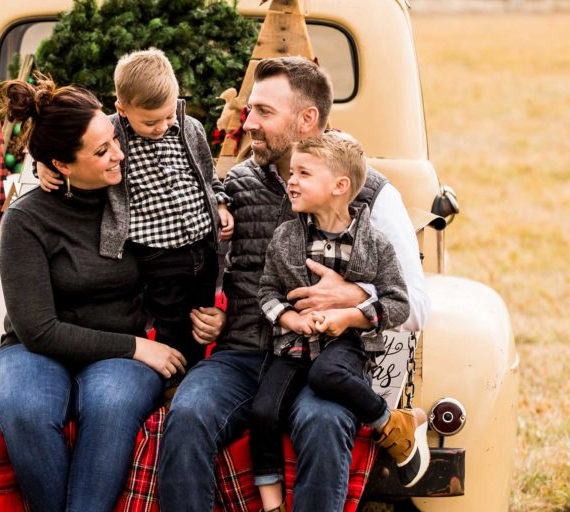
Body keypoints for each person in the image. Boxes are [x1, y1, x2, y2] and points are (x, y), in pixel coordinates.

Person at [158, 57, 430, 511]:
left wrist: (356, 294)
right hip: (243, 354)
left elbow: (416, 305)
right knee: (188, 414)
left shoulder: (371, 194)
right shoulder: (236, 186)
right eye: (250, 111)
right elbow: (215, 273)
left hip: (325, 363)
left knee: (324, 423)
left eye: (264, 112)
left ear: (307, 120)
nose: (248, 124)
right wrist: (214, 308)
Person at [0, 76, 187, 512]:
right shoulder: (26, 219)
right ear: (63, 164)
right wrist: (138, 347)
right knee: (26, 408)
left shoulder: (140, 195)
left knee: (111, 406)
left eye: (114, 139)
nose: (119, 154)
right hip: (34, 350)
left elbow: (163, 124)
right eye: (101, 151)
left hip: (119, 359)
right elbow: (37, 330)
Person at [251, 133, 427, 512]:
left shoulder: (375, 244)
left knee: (326, 375)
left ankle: (392, 423)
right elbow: (266, 291)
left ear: (339, 187)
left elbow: (398, 302)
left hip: (347, 346)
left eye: (303, 173)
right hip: (294, 346)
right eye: (291, 173)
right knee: (263, 409)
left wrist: (350, 315)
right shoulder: (286, 238)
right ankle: (271, 505)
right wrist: (290, 318)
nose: (291, 180)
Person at [38, 48, 233, 373]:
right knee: (172, 319)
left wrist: (222, 204)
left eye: (168, 116)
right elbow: (71, 146)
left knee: (202, 317)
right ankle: (171, 376)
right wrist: (44, 166)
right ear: (122, 109)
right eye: (150, 121)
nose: (161, 127)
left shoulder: (190, 128)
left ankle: (197, 373)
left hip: (203, 245)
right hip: (157, 253)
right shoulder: (113, 134)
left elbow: (209, 176)